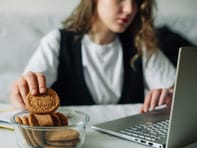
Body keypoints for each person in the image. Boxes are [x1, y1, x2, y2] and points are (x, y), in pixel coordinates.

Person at [10, 0, 176, 112]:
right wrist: (20, 93)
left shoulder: (142, 46)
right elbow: (22, 96)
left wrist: (172, 98)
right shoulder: (57, 42)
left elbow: (179, 93)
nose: (130, 9)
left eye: (136, 0)